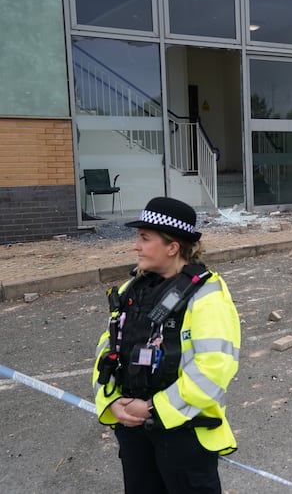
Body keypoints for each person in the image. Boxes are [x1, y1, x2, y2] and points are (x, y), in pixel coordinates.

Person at [92, 197, 241, 493]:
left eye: (145, 238)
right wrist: (110, 402)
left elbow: (214, 369)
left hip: (184, 434)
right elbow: (108, 348)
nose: (136, 246)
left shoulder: (206, 295)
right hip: (134, 431)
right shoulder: (130, 289)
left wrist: (151, 408)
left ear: (172, 247)